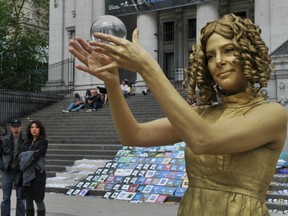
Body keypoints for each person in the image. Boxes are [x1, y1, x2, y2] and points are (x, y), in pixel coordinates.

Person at [68, 13, 287, 215]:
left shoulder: (272, 114)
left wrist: (147, 67)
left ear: (249, 53)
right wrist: (112, 83)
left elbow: (205, 140)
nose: (218, 61)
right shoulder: (202, 114)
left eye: (229, 50)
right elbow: (133, 135)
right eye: (210, 56)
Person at [19, 120, 48, 216]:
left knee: (38, 199)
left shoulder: (43, 142)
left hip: (38, 174)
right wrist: (32, 153)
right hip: (27, 174)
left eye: (36, 127)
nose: (34, 129)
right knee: (28, 199)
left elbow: (39, 154)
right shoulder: (26, 142)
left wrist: (28, 154)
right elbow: (21, 156)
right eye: (32, 127)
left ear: (40, 129)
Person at [0, 119, 25, 216]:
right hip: (7, 171)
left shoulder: (25, 139)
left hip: (20, 172)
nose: (16, 128)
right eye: (14, 126)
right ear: (11, 128)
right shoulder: (4, 139)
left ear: (21, 127)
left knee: (21, 198)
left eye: (18, 126)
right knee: (6, 197)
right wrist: (2, 166)